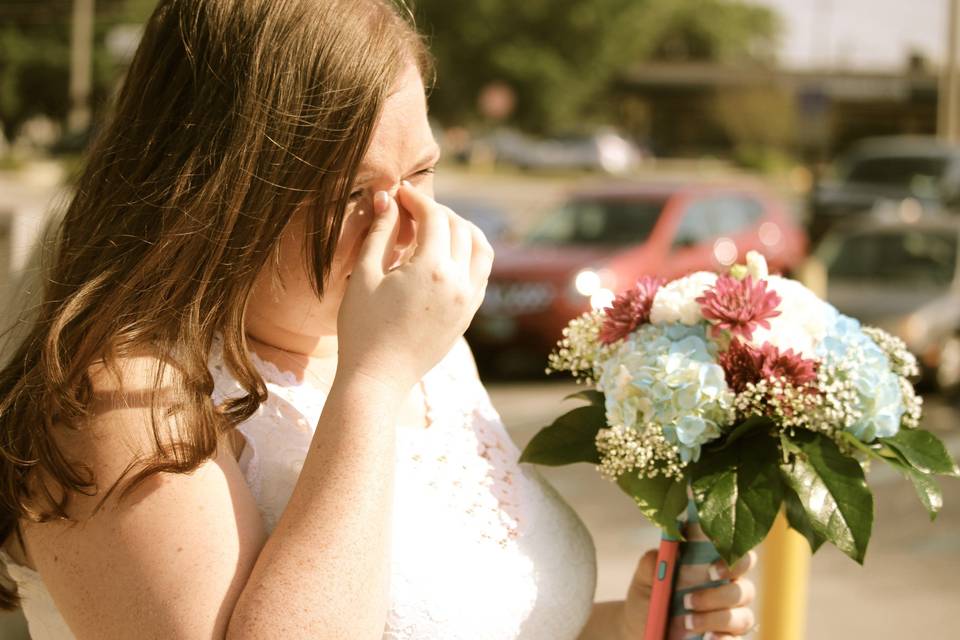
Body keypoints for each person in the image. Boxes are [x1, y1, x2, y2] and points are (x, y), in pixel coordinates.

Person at [0, 1, 757, 638]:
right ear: (216, 190)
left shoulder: (418, 344)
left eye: (422, 171)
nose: (410, 222)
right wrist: (375, 381)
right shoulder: (117, 401)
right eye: (353, 188)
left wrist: (630, 625)